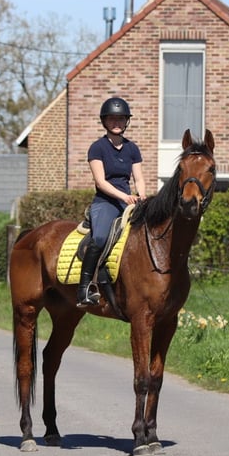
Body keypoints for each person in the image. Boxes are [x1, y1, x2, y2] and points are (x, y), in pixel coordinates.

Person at [77, 96, 146, 308]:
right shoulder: (97, 148)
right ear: (104, 121)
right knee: (99, 237)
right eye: (112, 119)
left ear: (126, 121)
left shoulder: (132, 148)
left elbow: (139, 178)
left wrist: (142, 196)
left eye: (121, 119)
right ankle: (84, 288)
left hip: (128, 202)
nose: (117, 123)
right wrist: (124, 196)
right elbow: (100, 182)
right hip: (105, 202)